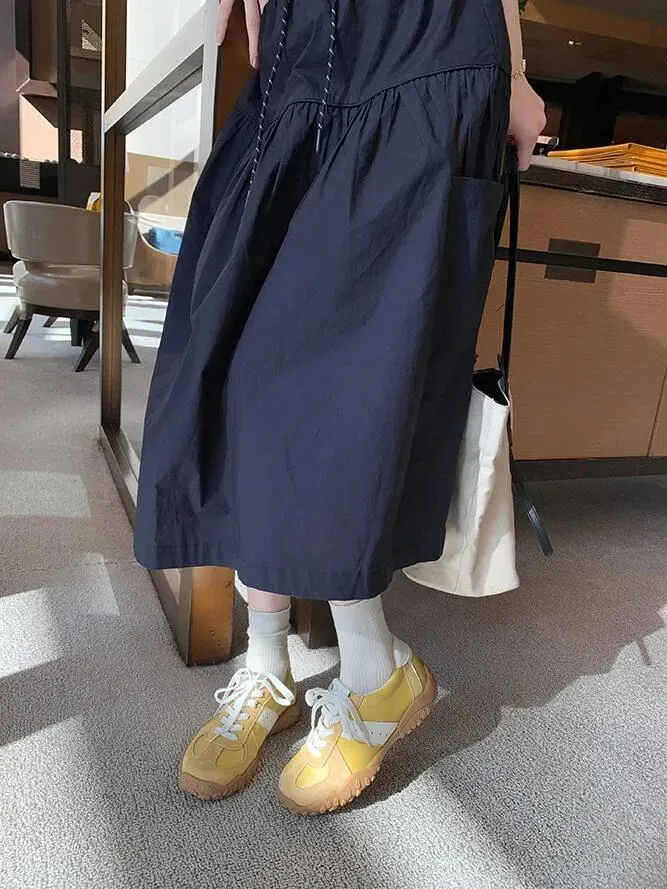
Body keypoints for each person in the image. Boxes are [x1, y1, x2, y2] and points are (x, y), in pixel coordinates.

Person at [134, 0, 545, 814]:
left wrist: (518, 67)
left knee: (340, 380)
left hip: (423, 47)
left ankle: (373, 667)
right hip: (301, 58)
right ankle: (267, 663)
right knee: (237, 366)